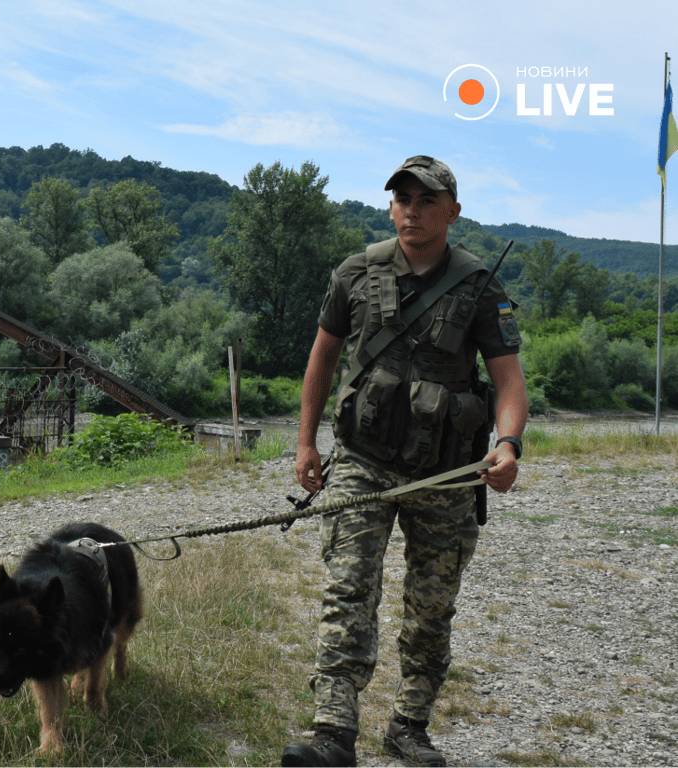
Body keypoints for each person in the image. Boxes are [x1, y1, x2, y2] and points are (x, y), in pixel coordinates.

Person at [284, 156, 528, 768]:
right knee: (347, 590)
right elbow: (321, 361)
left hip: (445, 472)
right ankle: (333, 733)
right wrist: (306, 442)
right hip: (363, 460)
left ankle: (408, 727)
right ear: (390, 206)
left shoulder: (479, 286)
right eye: (402, 199)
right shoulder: (356, 274)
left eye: (425, 201)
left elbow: (509, 383)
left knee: (430, 606)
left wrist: (508, 445)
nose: (411, 211)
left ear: (452, 211)